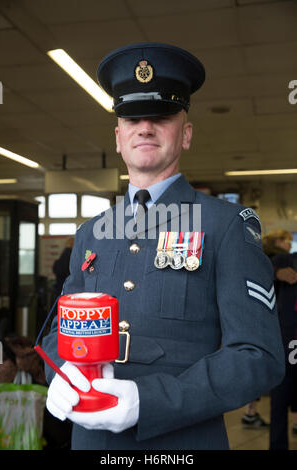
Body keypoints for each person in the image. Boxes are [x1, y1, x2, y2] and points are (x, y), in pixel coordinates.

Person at [41, 42, 285, 450]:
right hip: (89, 440)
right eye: (132, 117)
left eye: (162, 115)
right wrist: (59, 370)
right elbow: (56, 333)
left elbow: (258, 356)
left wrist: (148, 401)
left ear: (185, 134)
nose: (145, 126)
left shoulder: (225, 226)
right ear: (118, 138)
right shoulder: (91, 232)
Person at [241, 229, 293, 429]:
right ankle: (250, 412)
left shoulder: (263, 253)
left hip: (258, 317)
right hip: (267, 320)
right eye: (287, 240)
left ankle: (250, 411)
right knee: (259, 365)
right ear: (278, 241)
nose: (290, 245)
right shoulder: (273, 258)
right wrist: (278, 273)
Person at [269, 241, 297, 450]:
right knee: (278, 406)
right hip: (284, 342)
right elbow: (262, 272)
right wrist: (277, 274)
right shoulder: (285, 260)